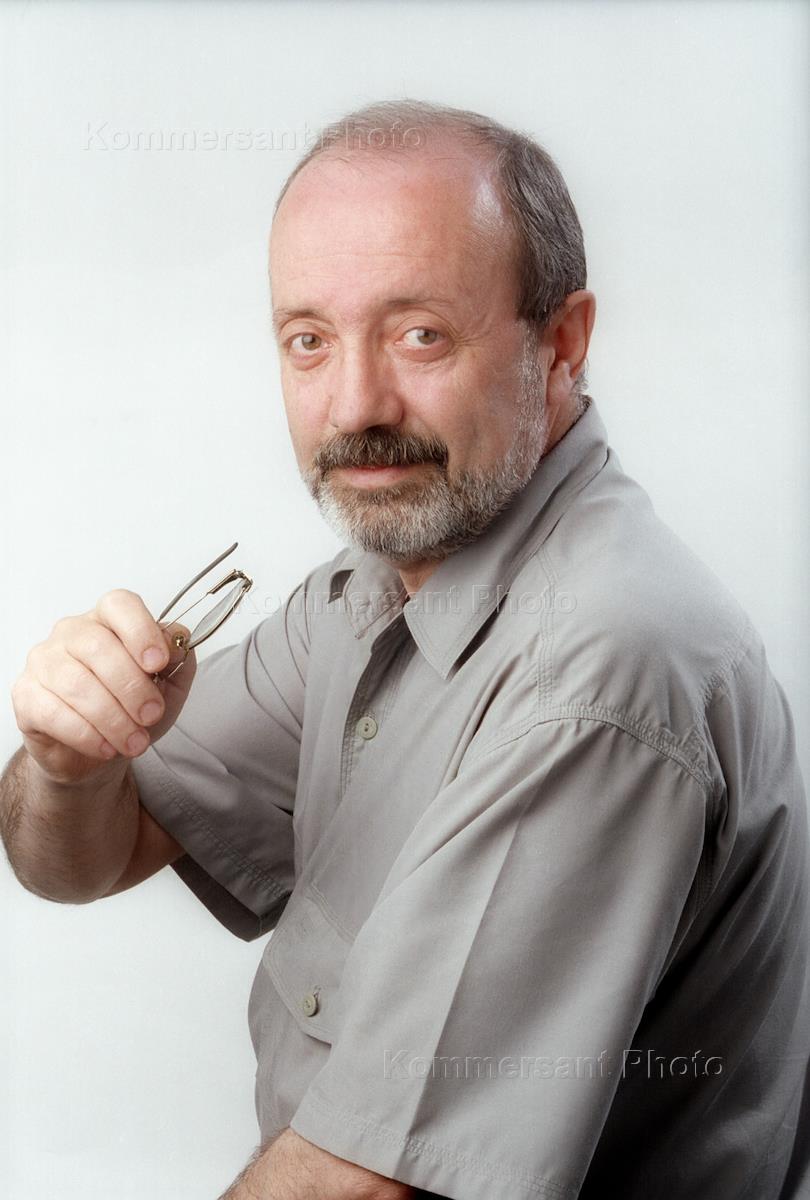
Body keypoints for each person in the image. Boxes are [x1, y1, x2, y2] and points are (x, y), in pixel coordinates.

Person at [2, 99, 808, 1200]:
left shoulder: (598, 666)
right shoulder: (369, 591)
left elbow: (371, 1184)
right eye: (309, 341)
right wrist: (67, 767)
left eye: (419, 333)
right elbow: (84, 858)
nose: (355, 406)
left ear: (562, 343)